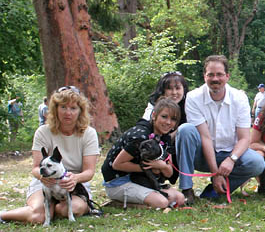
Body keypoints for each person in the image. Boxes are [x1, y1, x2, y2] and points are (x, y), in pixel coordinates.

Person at [0, 86, 99, 224]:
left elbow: (89, 171)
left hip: (73, 184)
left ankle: (54, 210)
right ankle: (4, 215)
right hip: (45, 181)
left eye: (73, 108)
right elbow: (36, 167)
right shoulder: (43, 132)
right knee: (38, 217)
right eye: (63, 107)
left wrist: (75, 178)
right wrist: (42, 177)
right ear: (55, 109)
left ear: (80, 111)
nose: (68, 113)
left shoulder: (89, 133)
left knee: (70, 209)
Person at [176, 55, 265, 204]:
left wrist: (231, 159)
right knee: (185, 130)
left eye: (219, 74)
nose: (215, 78)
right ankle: (187, 190)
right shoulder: (193, 97)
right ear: (204, 76)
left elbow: (244, 138)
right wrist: (215, 172)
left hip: (230, 153)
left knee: (257, 163)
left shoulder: (240, 98)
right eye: (210, 74)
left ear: (227, 76)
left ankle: (215, 191)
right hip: (202, 154)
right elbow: (204, 137)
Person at [102, 98, 185, 208]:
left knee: (180, 199)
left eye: (173, 119)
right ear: (154, 115)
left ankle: (147, 198)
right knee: (162, 203)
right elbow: (117, 164)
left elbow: (169, 173)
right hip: (119, 181)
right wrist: (147, 168)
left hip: (142, 180)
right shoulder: (140, 137)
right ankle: (118, 204)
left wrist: (162, 166)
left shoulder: (165, 138)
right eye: (164, 117)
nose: (168, 122)